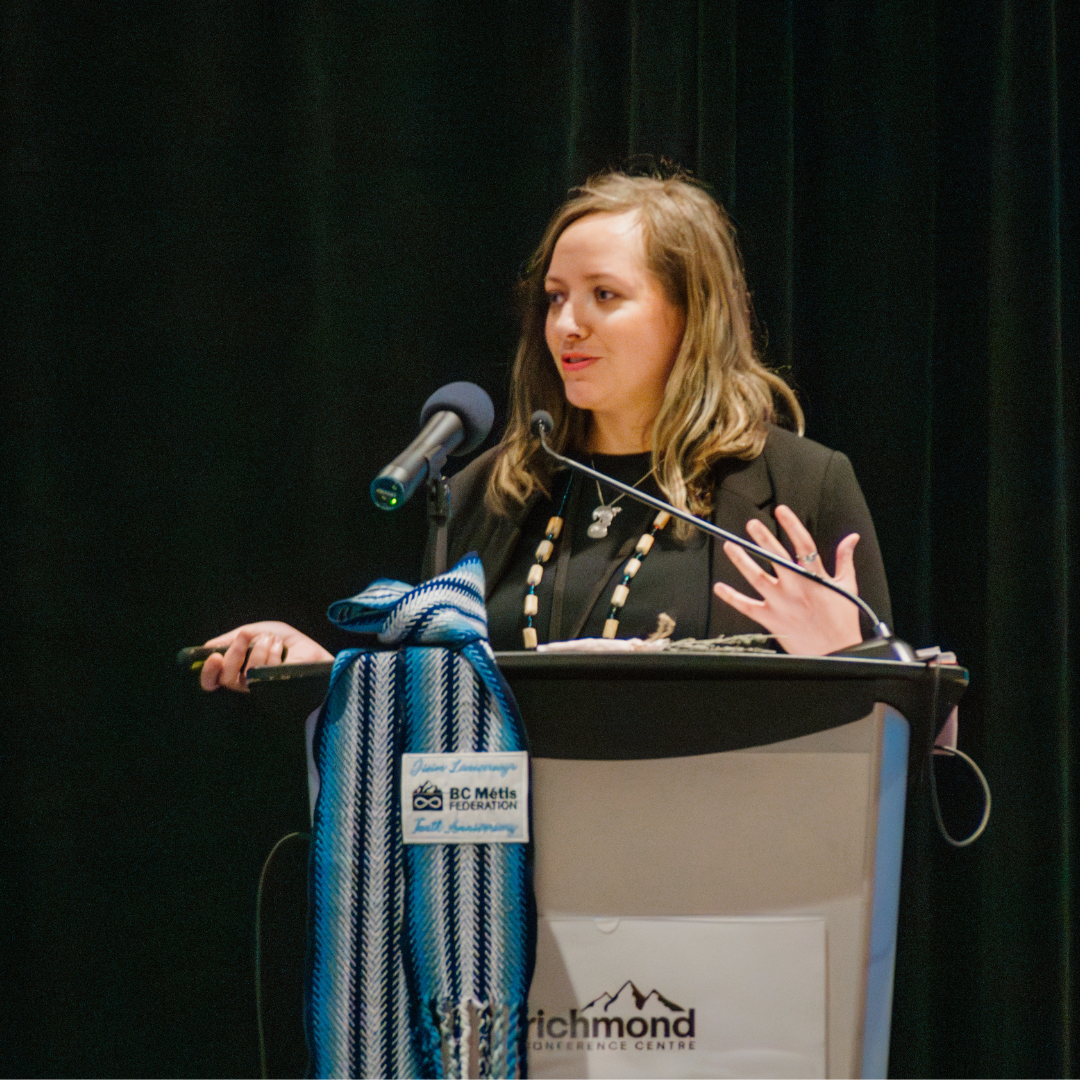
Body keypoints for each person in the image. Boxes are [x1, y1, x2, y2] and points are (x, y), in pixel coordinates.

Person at [200, 171, 891, 693]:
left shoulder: (799, 487)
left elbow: (896, 743)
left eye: (605, 295)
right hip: (508, 879)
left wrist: (850, 665)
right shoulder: (489, 492)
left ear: (690, 315)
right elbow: (440, 721)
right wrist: (320, 672)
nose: (566, 324)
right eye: (556, 297)